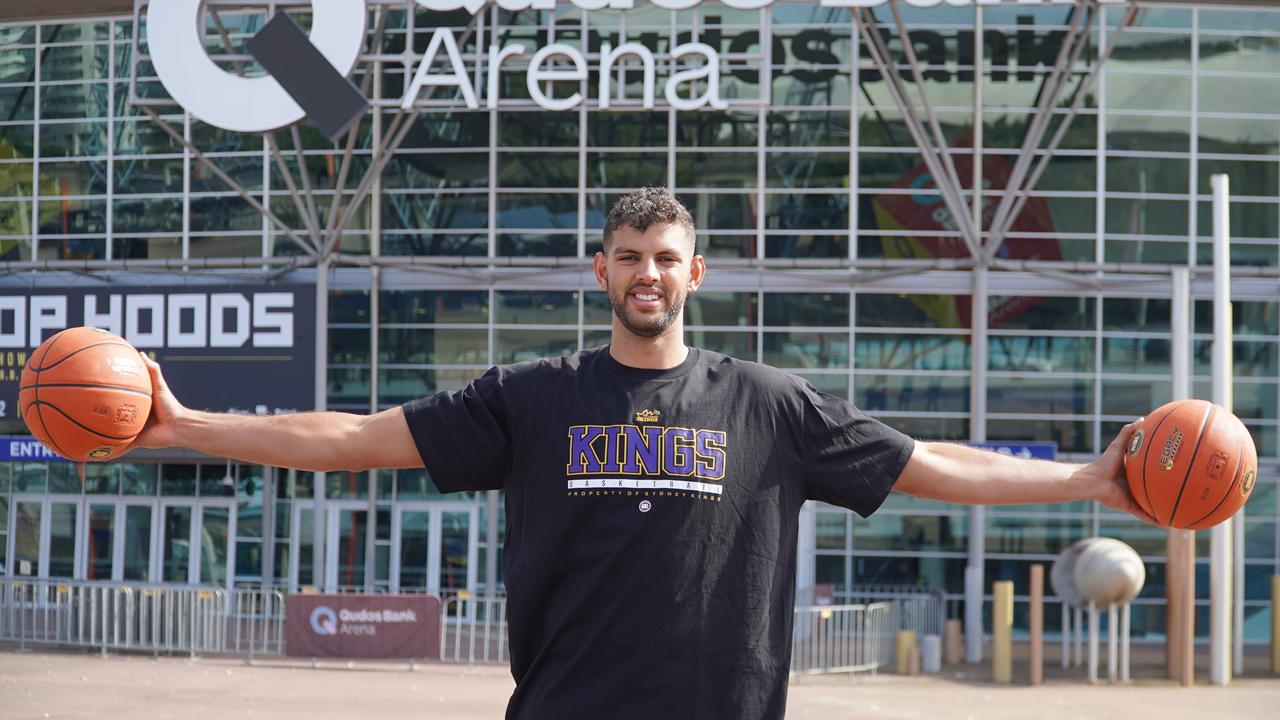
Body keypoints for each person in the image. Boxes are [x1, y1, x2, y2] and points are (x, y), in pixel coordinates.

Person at [132, 187, 1152, 720]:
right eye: (628, 257)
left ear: (693, 271)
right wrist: (184, 426)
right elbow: (355, 439)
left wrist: (1091, 480)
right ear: (600, 270)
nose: (646, 274)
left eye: (665, 258)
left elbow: (926, 462)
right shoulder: (530, 399)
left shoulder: (765, 403)